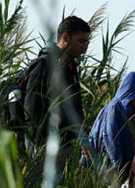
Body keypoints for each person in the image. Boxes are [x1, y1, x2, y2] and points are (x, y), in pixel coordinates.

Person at [24, 15, 91, 154]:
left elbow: (76, 106)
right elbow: (31, 107)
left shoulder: (70, 67)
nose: (84, 47)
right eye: (81, 41)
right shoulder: (43, 64)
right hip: (42, 145)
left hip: (64, 144)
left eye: (86, 42)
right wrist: (36, 141)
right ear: (65, 37)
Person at [87, 72, 135, 188]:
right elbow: (111, 139)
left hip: (120, 164)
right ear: (131, 91)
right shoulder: (114, 109)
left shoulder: (130, 109)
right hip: (108, 164)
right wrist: (118, 167)